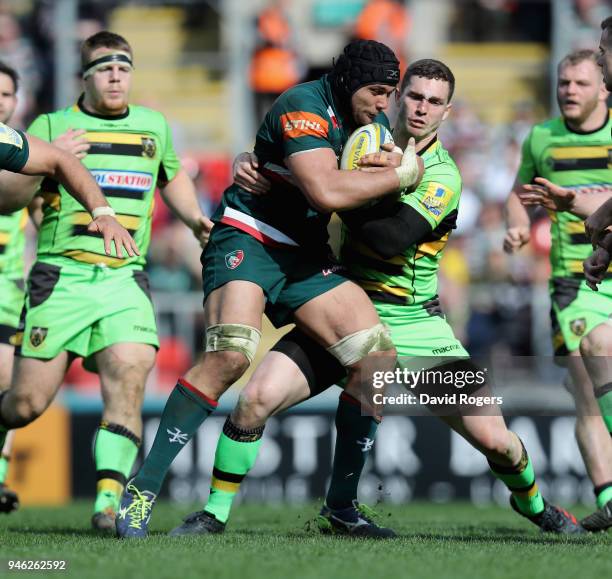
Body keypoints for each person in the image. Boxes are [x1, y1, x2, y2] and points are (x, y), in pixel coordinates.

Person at [162, 59, 583, 538]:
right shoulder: (357, 135)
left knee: (497, 442)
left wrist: (333, 191)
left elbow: (389, 239)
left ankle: (536, 504)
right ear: (399, 96)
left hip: (415, 324)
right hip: (343, 310)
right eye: (416, 96)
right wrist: (254, 160)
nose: (422, 109)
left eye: (435, 102)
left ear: (447, 113)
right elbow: (297, 148)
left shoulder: (442, 174)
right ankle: (215, 513)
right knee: (256, 398)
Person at [117, 39, 424, 539]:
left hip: (305, 253)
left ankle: (342, 508)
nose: (383, 103)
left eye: (390, 93)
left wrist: (396, 174)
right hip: (249, 236)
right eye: (376, 91)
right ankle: (143, 490)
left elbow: (361, 191)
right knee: (231, 355)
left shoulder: (374, 125)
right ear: (349, 82)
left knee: (377, 359)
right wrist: (399, 177)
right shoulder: (301, 106)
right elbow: (326, 191)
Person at [0, 31, 212, 533]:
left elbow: (172, 176)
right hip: (62, 277)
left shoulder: (153, 126)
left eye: (124, 66)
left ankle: (108, 503)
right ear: (85, 76)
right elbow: (13, 198)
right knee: (25, 404)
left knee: (130, 369)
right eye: (105, 67)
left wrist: (195, 221)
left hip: (124, 277)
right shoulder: (53, 125)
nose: (116, 75)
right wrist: (46, 160)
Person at [504, 48, 612, 532]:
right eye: (564, 82)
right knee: (588, 388)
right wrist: (517, 226)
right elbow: (518, 191)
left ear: (604, 88)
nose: (568, 90)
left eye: (581, 83)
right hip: (574, 283)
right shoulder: (541, 137)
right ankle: (609, 494)